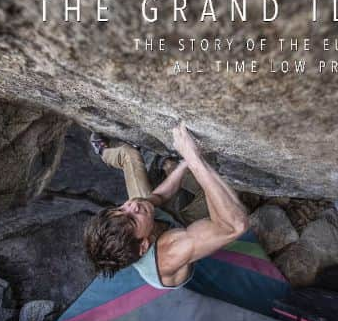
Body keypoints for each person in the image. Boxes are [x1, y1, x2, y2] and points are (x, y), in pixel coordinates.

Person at [84, 123, 249, 289]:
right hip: (183, 227)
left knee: (130, 155)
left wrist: (186, 163)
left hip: (157, 223)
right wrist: (194, 159)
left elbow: (160, 196)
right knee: (229, 198)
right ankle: (169, 165)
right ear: (143, 246)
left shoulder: (137, 213)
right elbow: (235, 226)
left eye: (120, 209)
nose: (132, 205)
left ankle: (104, 152)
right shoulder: (170, 253)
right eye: (132, 219)